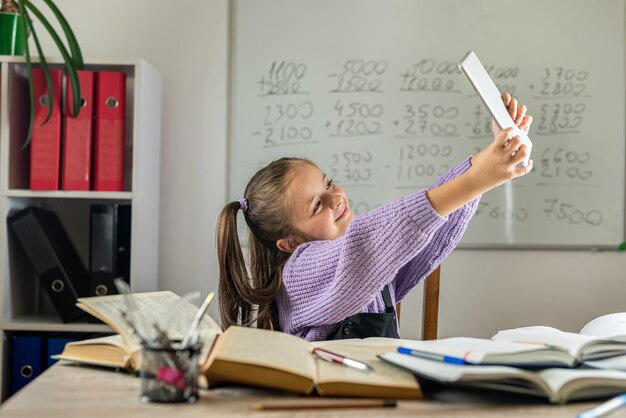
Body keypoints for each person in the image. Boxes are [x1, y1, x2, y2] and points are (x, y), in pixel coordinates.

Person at [217, 93, 533, 341]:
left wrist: (489, 156)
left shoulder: (372, 257)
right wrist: (478, 178)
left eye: (327, 183)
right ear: (289, 243)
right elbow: (365, 245)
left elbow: (432, 230)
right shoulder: (298, 273)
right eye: (317, 206)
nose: (336, 198)